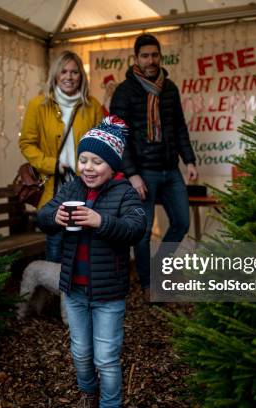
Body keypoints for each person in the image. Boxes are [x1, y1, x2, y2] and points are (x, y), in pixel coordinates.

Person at [37, 116, 146, 408]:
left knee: (107, 357)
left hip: (108, 293)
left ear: (112, 165)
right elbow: (43, 215)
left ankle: (110, 404)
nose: (87, 167)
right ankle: (88, 389)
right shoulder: (72, 189)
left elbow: (136, 229)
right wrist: (54, 217)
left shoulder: (124, 193)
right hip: (74, 289)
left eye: (96, 161)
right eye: (83, 159)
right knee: (81, 351)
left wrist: (101, 221)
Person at [110, 34, 198, 301]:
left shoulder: (169, 88)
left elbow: (179, 126)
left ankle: (159, 266)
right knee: (143, 231)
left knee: (182, 221)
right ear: (136, 58)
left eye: (155, 55)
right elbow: (118, 136)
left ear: (160, 57)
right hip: (142, 172)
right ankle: (149, 284)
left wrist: (190, 160)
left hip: (170, 169)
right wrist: (132, 174)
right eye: (145, 55)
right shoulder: (124, 92)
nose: (150, 60)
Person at [19, 51, 103, 263]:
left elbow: (102, 144)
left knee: (84, 246)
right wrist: (52, 164)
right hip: (53, 189)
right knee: (55, 247)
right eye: (64, 71)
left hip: (86, 185)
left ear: (81, 77)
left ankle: (79, 294)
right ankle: (55, 294)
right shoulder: (38, 105)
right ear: (55, 74)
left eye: (75, 72)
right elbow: (26, 143)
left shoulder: (92, 106)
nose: (69, 76)